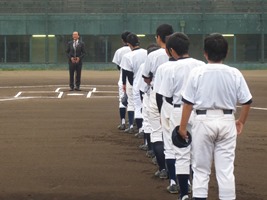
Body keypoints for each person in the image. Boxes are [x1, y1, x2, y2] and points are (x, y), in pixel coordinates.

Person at [178, 33, 252, 200]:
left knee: (201, 169)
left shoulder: (197, 72)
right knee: (225, 170)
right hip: (227, 121)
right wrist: (241, 121)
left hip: (203, 122)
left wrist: (182, 128)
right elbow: (247, 101)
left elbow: (188, 103)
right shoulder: (234, 73)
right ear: (226, 53)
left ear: (205, 53)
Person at [158, 32, 205, 199]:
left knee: (182, 154)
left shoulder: (171, 68)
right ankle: (199, 192)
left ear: (171, 50)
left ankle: (184, 194)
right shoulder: (201, 65)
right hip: (199, 112)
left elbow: (167, 96)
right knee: (198, 154)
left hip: (179, 110)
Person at [142, 23, 174, 179]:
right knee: (175, 134)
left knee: (157, 133)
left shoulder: (153, 55)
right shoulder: (180, 53)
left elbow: (146, 77)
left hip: (156, 93)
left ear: (159, 37)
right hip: (178, 97)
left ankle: (163, 169)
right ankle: (179, 175)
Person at [120, 33, 147, 133]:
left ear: (128, 44)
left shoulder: (127, 56)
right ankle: (144, 128)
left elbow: (127, 73)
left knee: (133, 104)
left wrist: (131, 84)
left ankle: (132, 126)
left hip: (135, 82)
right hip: (146, 82)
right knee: (145, 106)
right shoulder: (146, 52)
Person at [112, 31, 132, 130]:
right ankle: (133, 123)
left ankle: (123, 122)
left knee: (122, 100)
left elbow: (118, 67)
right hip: (135, 79)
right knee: (135, 102)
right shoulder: (138, 51)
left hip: (123, 79)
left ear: (122, 40)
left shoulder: (119, 51)